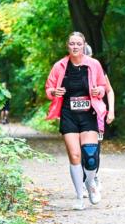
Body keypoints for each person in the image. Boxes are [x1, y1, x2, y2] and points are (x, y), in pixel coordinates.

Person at [44, 32, 110, 210]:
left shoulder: (93, 65)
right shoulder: (60, 66)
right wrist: (53, 93)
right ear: (68, 46)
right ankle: (80, 197)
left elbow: (103, 87)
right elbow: (49, 88)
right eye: (72, 44)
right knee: (74, 156)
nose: (75, 47)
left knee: (90, 158)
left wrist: (99, 92)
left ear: (84, 45)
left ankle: (90, 182)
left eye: (78, 44)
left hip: (89, 114)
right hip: (68, 115)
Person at [83, 43, 115, 191]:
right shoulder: (70, 70)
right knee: (80, 150)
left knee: (94, 150)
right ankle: (83, 182)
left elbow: (109, 91)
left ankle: (93, 176)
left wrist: (111, 111)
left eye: (88, 57)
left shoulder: (98, 69)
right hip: (77, 117)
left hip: (96, 115)